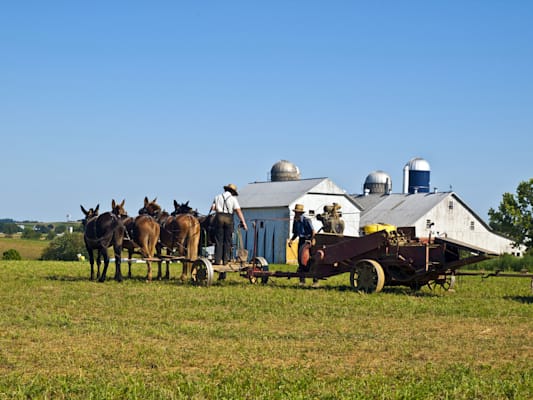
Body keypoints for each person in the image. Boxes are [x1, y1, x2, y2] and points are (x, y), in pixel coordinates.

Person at [210, 183, 248, 269]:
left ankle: (217, 260)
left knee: (218, 240)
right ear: (233, 191)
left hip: (219, 217)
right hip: (228, 218)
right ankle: (225, 260)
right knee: (227, 240)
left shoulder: (217, 197)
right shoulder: (233, 199)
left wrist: (219, 208)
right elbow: (238, 211)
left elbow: (213, 208)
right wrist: (244, 222)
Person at [288, 203, 317, 286]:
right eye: (295, 212)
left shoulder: (306, 220)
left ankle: (315, 281)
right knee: (300, 261)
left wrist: (311, 240)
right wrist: (291, 240)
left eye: (297, 212)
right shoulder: (295, 221)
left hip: (308, 241)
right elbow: (296, 233)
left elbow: (313, 232)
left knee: (310, 261)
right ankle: (302, 281)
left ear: (300, 213)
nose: (295, 214)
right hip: (301, 240)